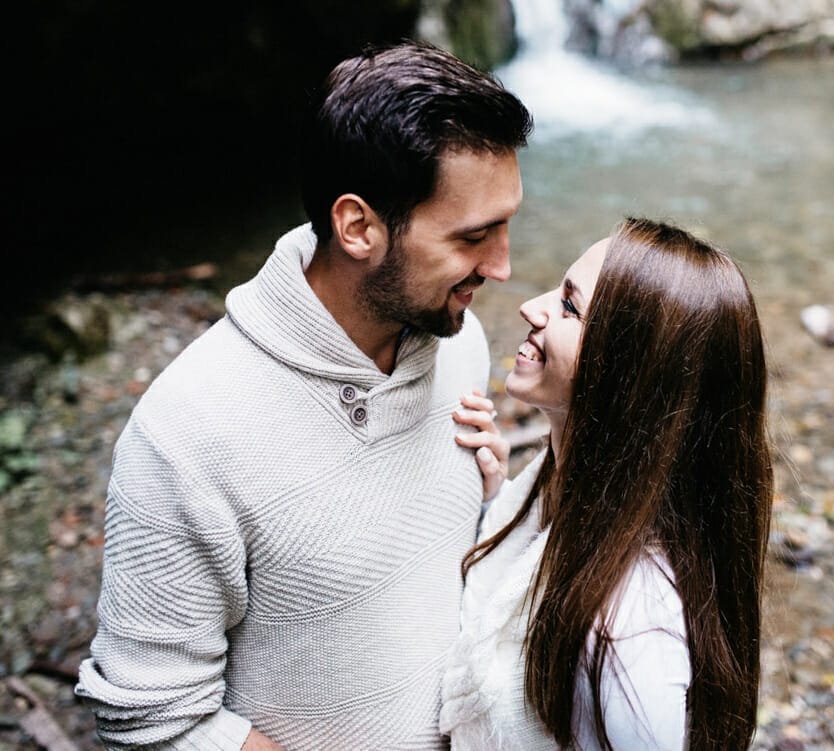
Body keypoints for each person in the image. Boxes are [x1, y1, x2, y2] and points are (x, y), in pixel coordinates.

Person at [75, 41, 532, 750]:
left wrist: (487, 498)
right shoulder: (188, 432)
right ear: (357, 227)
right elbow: (152, 714)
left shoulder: (459, 343)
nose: (502, 266)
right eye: (474, 236)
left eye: (506, 225)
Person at [440, 217, 774, 750]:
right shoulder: (560, 483)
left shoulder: (631, 633)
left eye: (570, 307)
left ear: (631, 374)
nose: (532, 308)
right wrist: (490, 501)